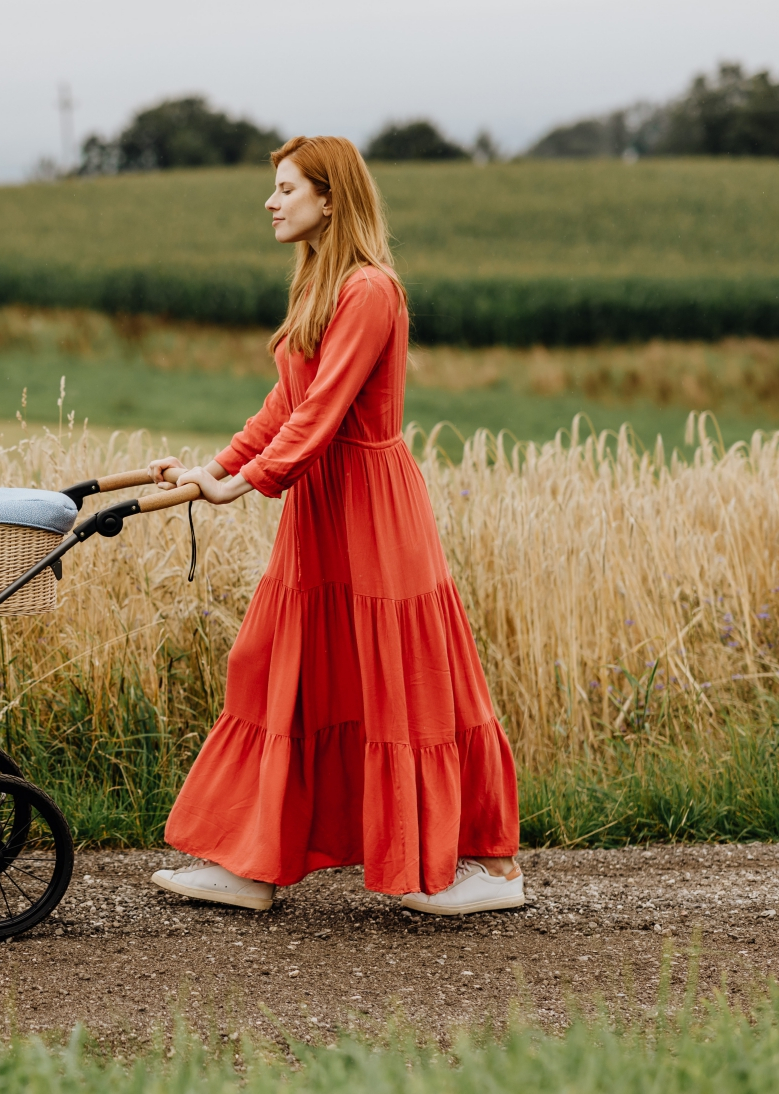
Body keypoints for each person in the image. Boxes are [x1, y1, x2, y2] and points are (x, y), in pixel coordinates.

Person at [147, 136, 522, 917]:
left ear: (329, 198)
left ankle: (489, 867)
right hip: (319, 509)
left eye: (285, 187)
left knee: (408, 682)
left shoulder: (370, 291)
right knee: (281, 672)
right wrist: (210, 470)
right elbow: (285, 407)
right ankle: (253, 863)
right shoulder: (320, 286)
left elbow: (322, 415)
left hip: (372, 509)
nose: (270, 200)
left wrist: (247, 482)